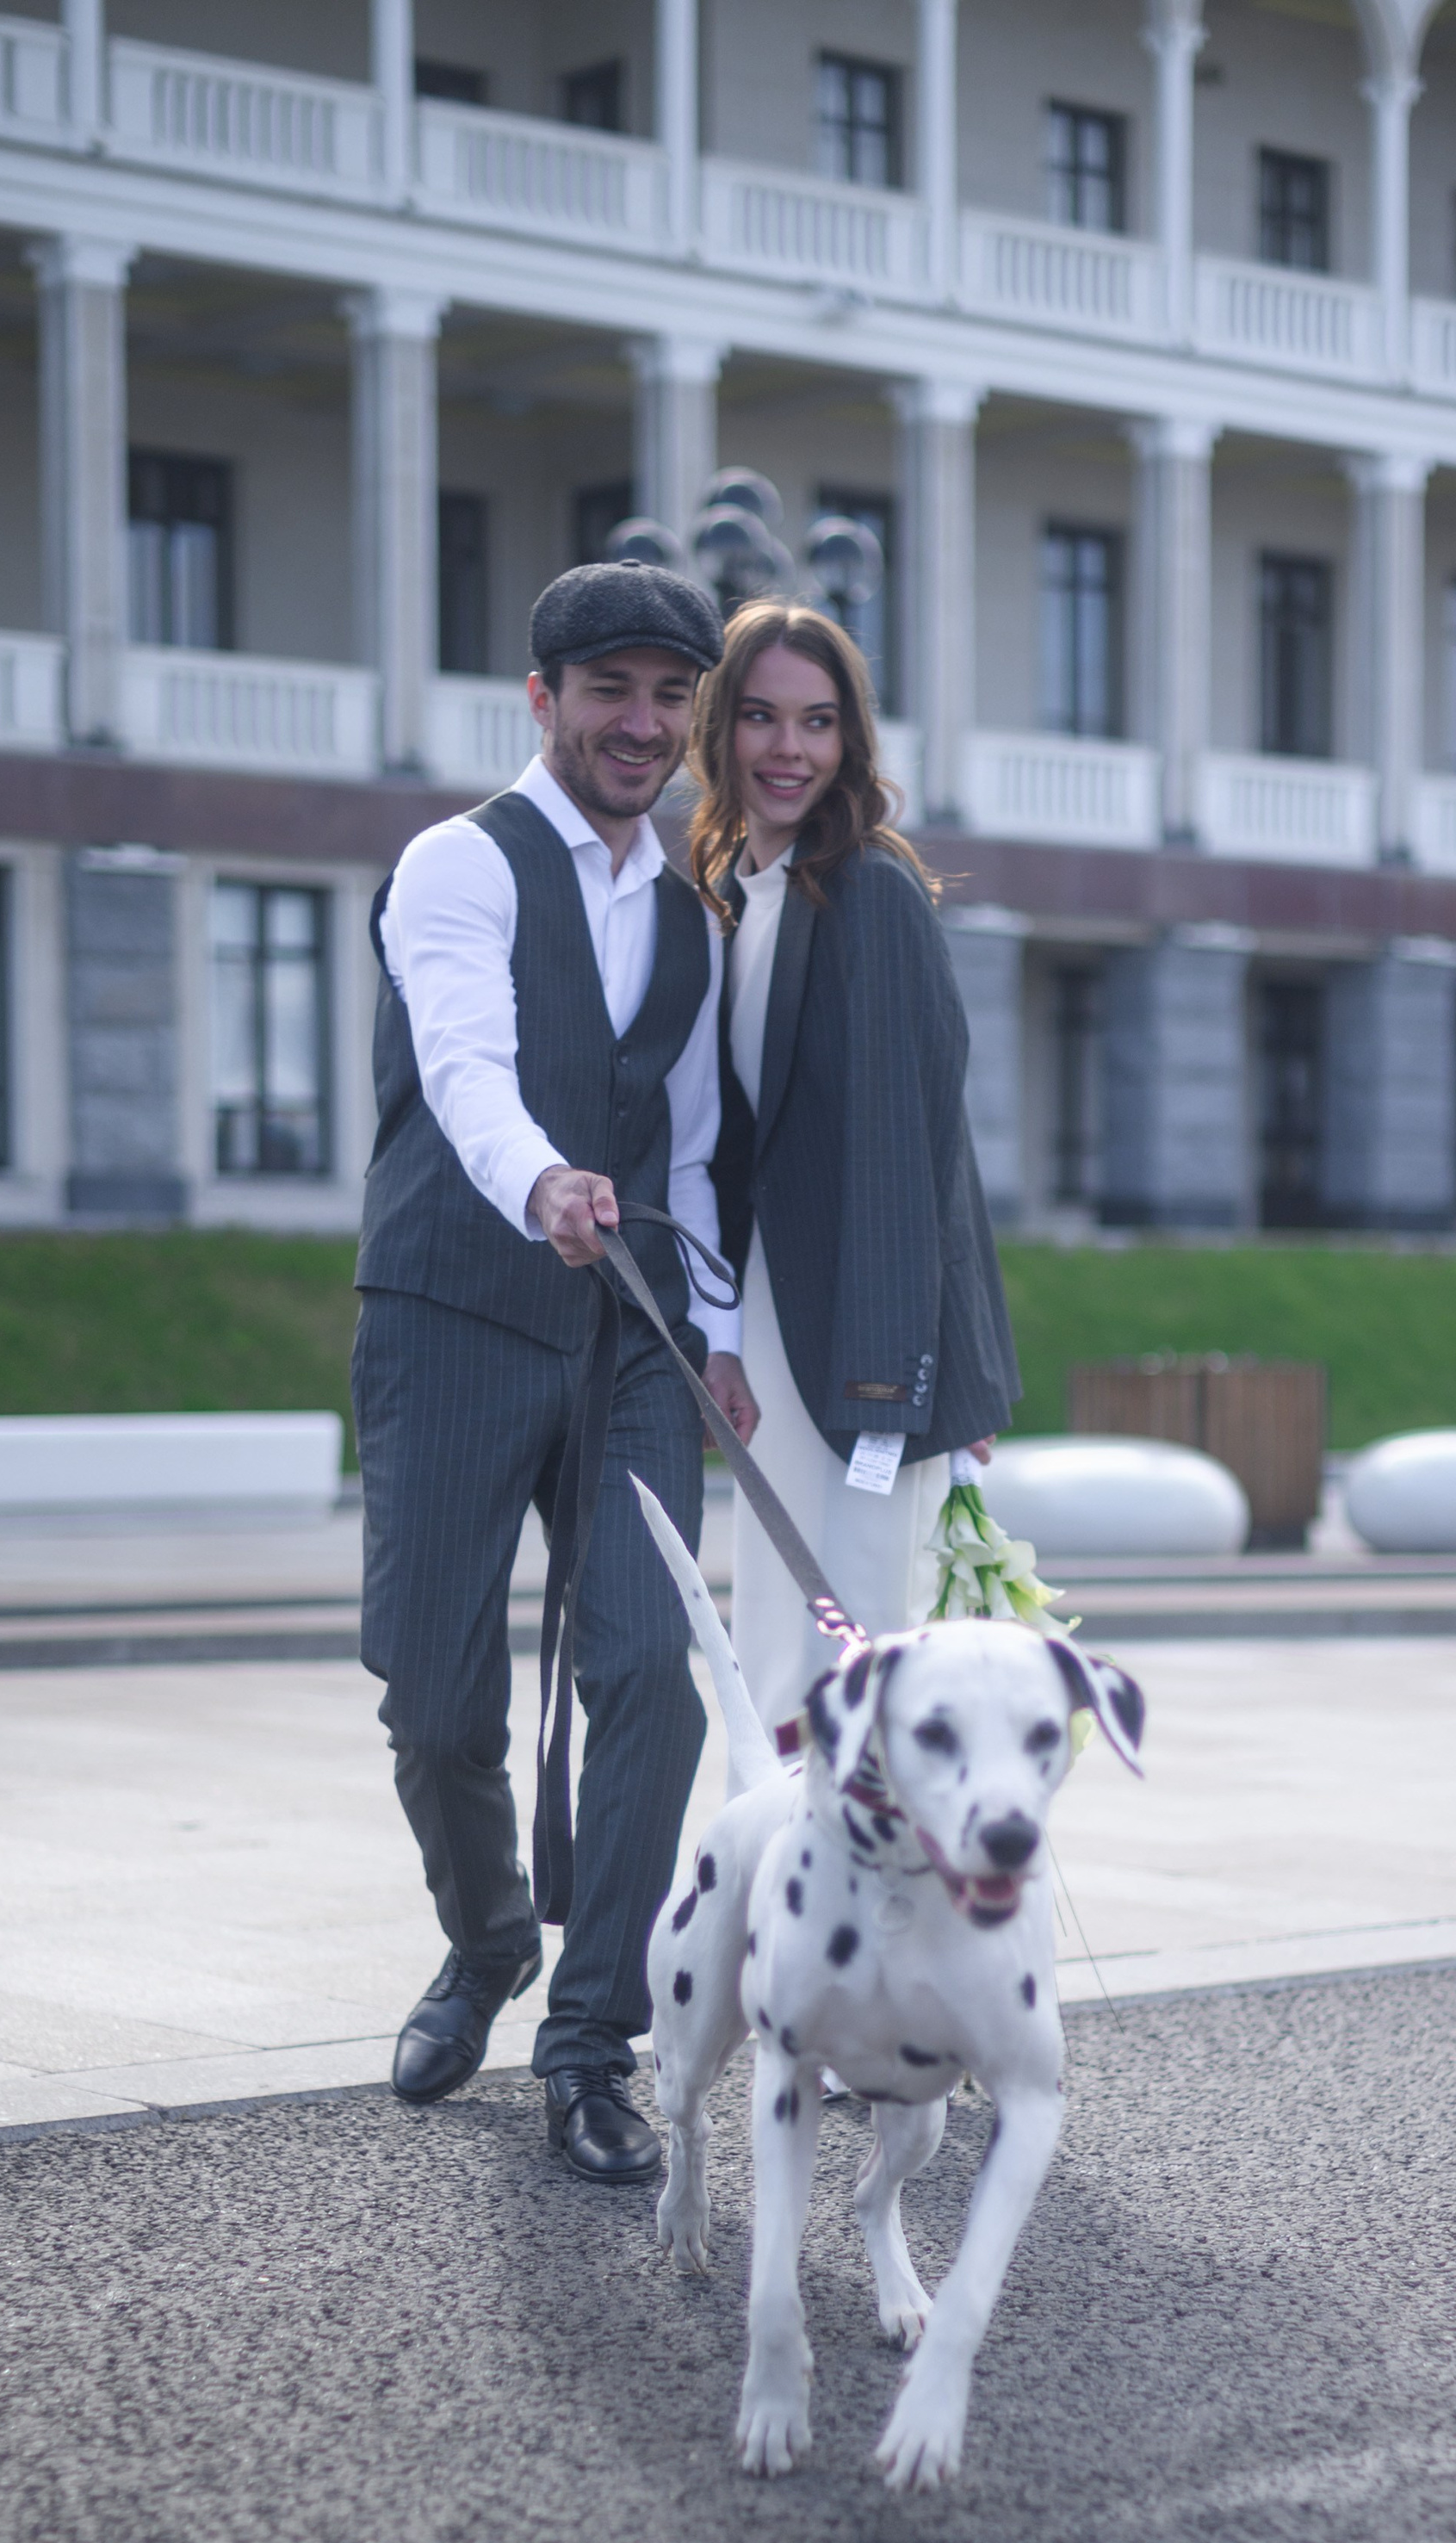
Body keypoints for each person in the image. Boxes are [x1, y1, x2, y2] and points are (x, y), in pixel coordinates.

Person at [356, 561, 759, 2181]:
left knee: (648, 1679)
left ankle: (594, 2037)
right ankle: (486, 1944)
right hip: (454, 1314)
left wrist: (717, 1330)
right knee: (437, 1702)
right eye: (613, 692)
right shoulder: (455, 864)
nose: (645, 725)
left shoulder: (692, 909)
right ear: (544, 702)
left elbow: (698, 1143)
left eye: (674, 696)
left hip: (634, 1340)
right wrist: (536, 1181)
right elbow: (462, 1058)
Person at [688, 600, 1020, 1732]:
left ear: (852, 741)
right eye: (763, 718)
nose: (790, 750)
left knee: (868, 1647)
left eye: (819, 722)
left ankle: (879, 1883)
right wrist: (719, 1335)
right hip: (779, 1322)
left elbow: (910, 1144)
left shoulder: (868, 890)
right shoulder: (740, 895)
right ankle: (796, 1872)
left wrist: (896, 1384)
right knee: (784, 1633)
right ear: (721, 729)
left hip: (864, 1346)